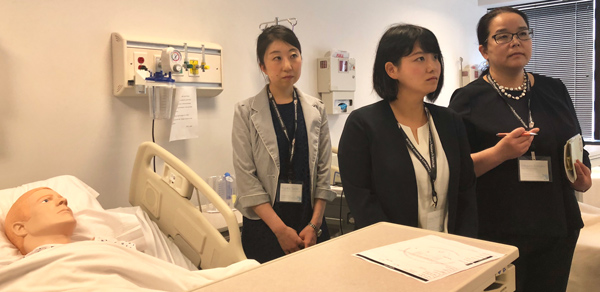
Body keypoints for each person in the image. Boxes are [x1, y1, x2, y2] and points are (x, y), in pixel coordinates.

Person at [448, 7, 592, 292]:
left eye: (523, 33)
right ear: (484, 49)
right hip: (497, 228)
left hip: (557, 223)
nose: (516, 41)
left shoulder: (555, 89)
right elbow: (456, 170)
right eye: (503, 36)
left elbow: (575, 142)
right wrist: (500, 152)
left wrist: (582, 175)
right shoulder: (467, 99)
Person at [338, 24, 478, 237]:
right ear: (391, 69)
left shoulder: (449, 121)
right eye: (420, 59)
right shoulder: (364, 124)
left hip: (450, 250)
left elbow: (466, 191)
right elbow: (362, 200)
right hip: (389, 253)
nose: (433, 67)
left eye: (435, 57)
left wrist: (466, 243)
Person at [1, 187, 259, 291]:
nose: (61, 200)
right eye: (46, 200)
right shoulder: (21, 273)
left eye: (62, 198)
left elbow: (162, 277)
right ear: (20, 228)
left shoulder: (99, 247)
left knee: (252, 270)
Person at [232, 25, 336, 263]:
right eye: (276, 58)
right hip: (266, 229)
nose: (287, 65)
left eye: (293, 55)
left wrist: (315, 224)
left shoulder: (316, 109)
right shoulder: (245, 112)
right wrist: (280, 231)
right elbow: (247, 180)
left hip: (309, 226)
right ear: (262, 66)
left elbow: (322, 172)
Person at [4, 187, 76, 255]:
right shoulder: (24, 267)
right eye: (45, 200)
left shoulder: (85, 249)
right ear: (21, 228)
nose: (63, 200)